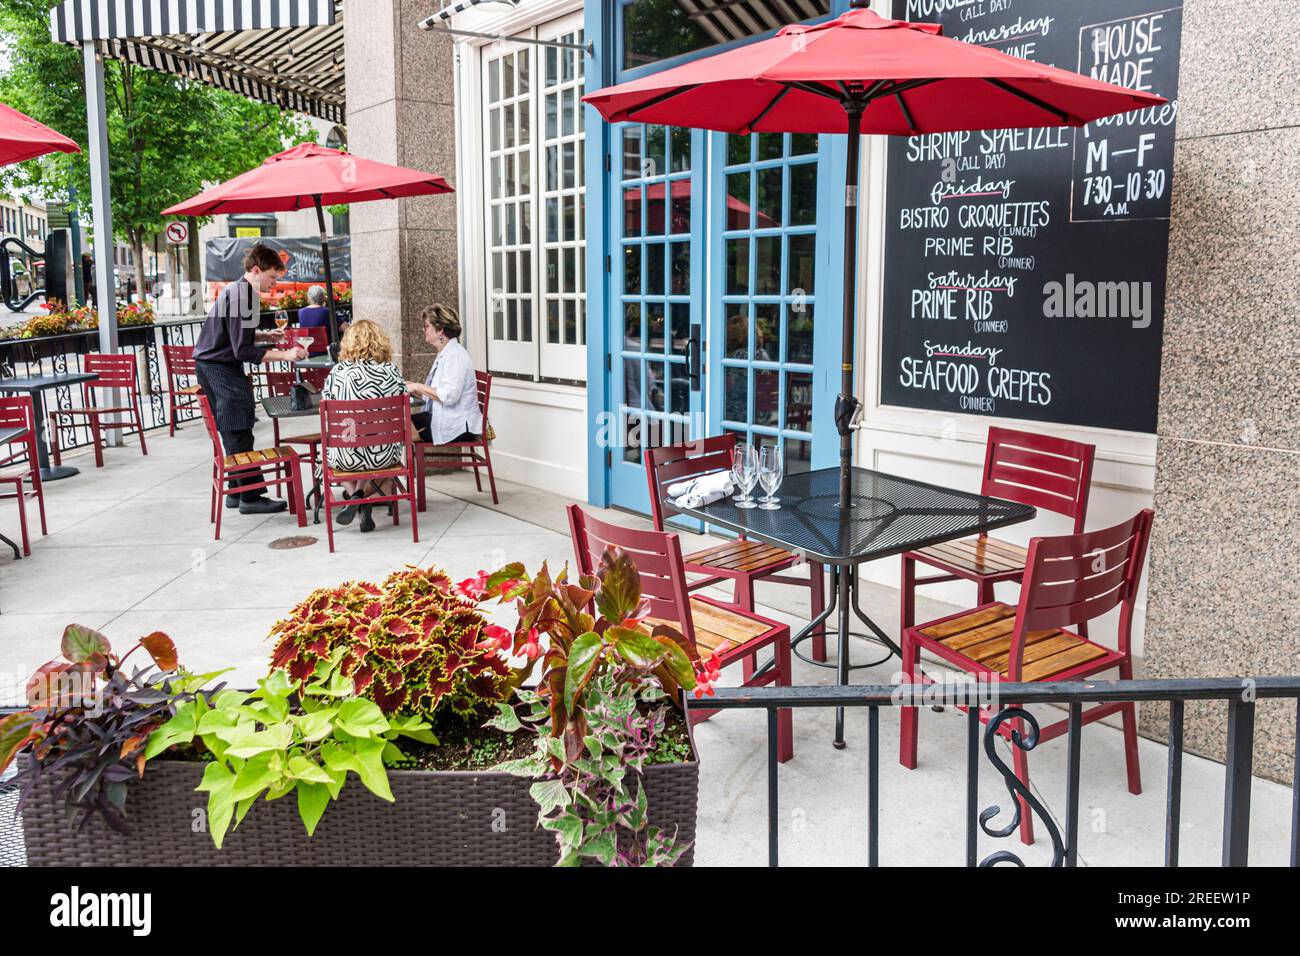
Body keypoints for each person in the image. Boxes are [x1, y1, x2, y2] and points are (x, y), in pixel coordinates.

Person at [194, 243, 308, 515]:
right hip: (219, 368)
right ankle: (250, 496)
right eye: (272, 276)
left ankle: (237, 490)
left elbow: (237, 337)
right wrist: (285, 354)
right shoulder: (243, 297)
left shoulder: (238, 292)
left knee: (235, 427)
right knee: (238, 427)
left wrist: (265, 337)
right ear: (256, 270)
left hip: (212, 365)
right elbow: (241, 350)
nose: (274, 283)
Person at [322, 319, 407, 533]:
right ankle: (360, 498)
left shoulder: (337, 373)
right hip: (384, 454)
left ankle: (354, 498)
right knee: (371, 445)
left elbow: (324, 411)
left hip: (346, 456)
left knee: (346, 450)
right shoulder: (391, 371)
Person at [406, 304, 482, 445]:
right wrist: (414, 389)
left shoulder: (455, 355)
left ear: (440, 329)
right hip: (445, 417)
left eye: (427, 326)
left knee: (398, 429)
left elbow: (450, 396)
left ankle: (398, 466)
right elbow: (438, 393)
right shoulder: (446, 353)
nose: (424, 330)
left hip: (457, 425)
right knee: (398, 424)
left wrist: (418, 386)